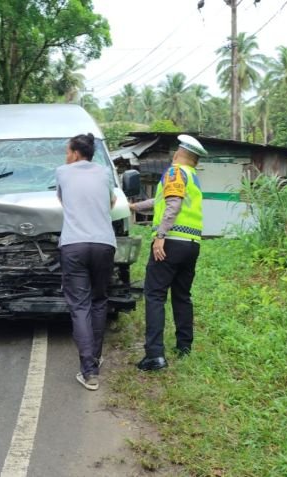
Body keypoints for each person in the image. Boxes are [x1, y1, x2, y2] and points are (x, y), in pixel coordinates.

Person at [129, 135, 207, 372]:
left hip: (170, 243)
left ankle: (155, 355)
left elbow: (172, 205)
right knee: (182, 296)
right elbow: (163, 199)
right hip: (191, 244)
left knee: (154, 295)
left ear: (178, 154)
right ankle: (184, 346)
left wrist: (160, 236)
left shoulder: (174, 172)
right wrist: (135, 206)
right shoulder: (192, 177)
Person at [55, 133, 117, 391]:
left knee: (80, 306)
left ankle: (89, 371)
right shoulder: (104, 173)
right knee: (99, 301)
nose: (66, 156)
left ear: (76, 154)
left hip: (74, 244)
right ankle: (95, 358)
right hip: (104, 243)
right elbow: (112, 201)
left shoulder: (62, 172)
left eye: (67, 152)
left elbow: (62, 200)